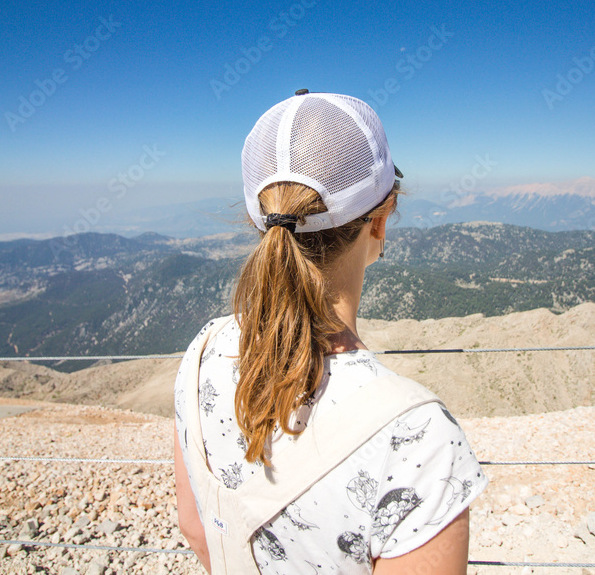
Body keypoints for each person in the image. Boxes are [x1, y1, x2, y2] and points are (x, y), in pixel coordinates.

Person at [173, 90, 487, 574]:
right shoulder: (419, 438)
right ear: (381, 220)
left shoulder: (201, 353)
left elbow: (197, 530)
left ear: (260, 222)